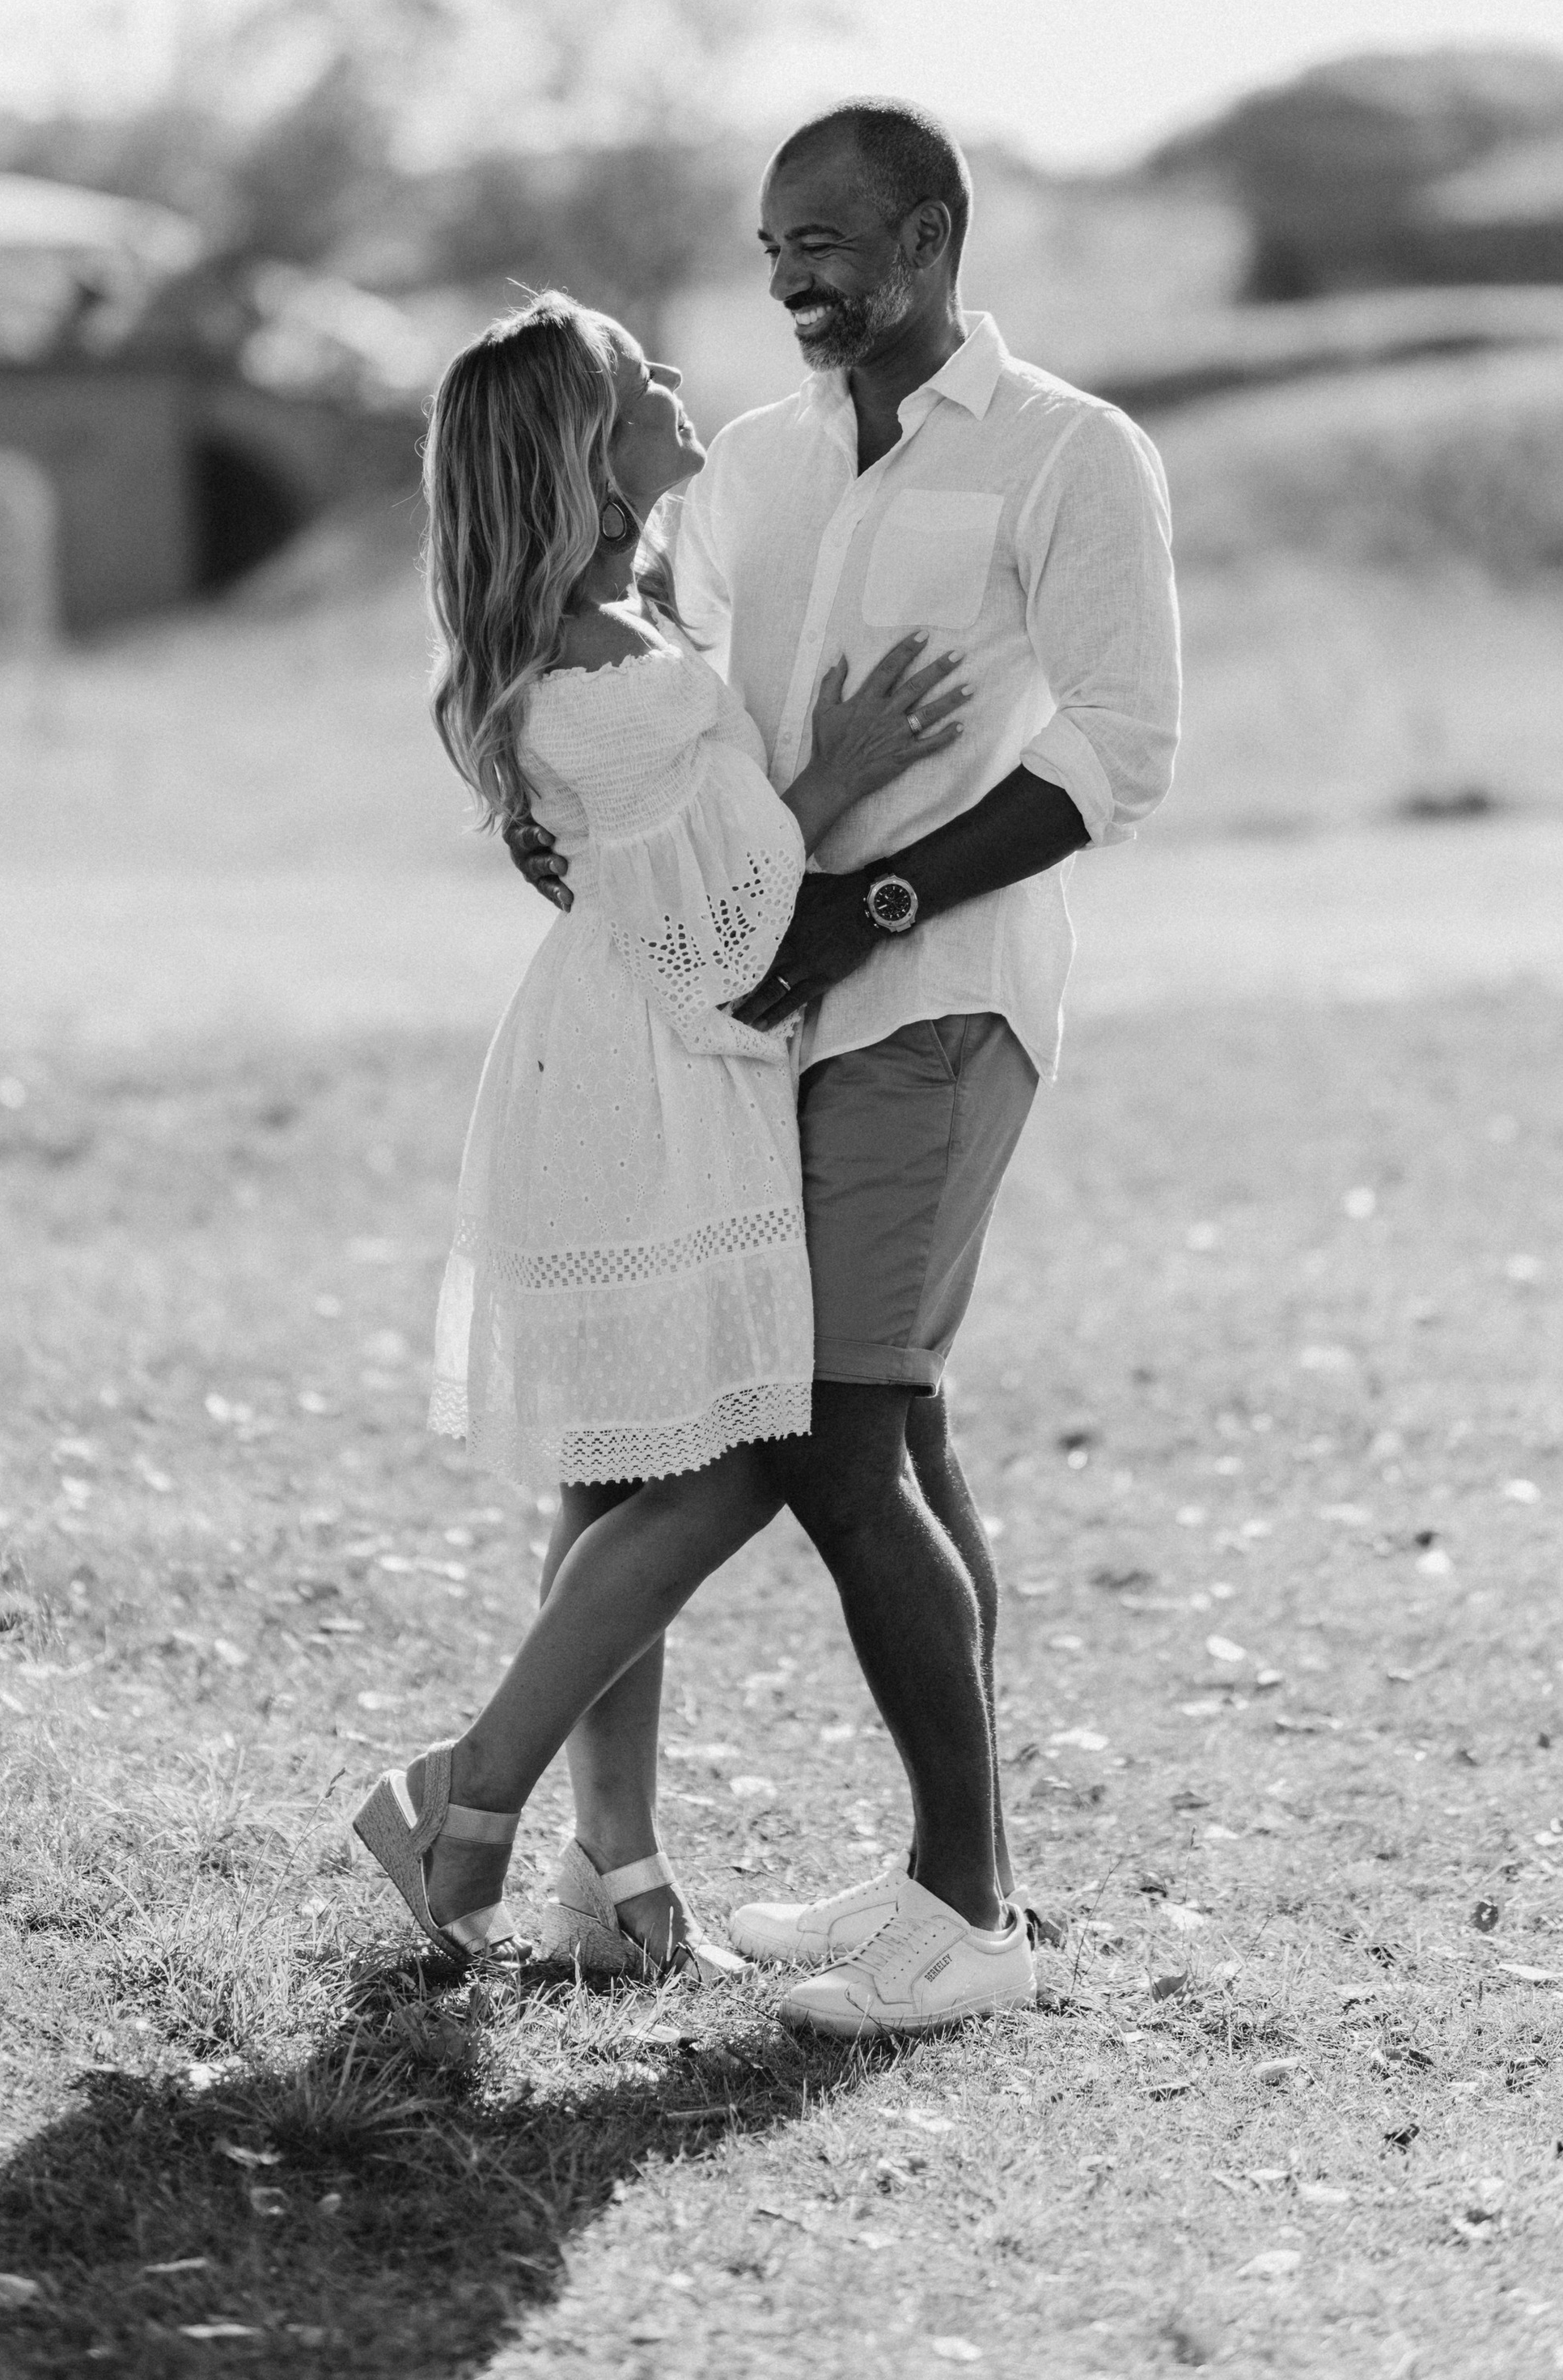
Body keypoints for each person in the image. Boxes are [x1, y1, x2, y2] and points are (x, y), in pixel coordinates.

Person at [507, 99, 1182, 2034]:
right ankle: (959, 1886)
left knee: (826, 1428)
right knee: (896, 1425)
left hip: (943, 1001)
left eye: (829, 240)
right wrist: (563, 812)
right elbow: (676, 721)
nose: (794, 275)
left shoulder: (1068, 452)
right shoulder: (754, 475)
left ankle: (961, 1913)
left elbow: (1113, 755)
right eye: (769, 248)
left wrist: (866, 905)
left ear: (929, 238)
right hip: (756, 1023)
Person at [354, 293, 964, 1982]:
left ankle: (607, 1880)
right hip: (652, 1077)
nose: (678, 384)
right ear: (580, 448)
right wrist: (831, 774)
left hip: (614, 1065)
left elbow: (689, 888)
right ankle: (462, 1792)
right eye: (640, 381)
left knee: (621, 1467)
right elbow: (737, 936)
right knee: (749, 1456)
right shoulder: (613, 679)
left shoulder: (609, 632)